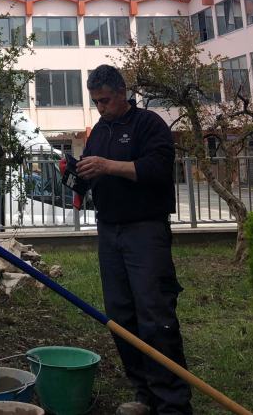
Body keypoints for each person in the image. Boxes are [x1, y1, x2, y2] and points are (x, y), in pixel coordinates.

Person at [75, 65, 192, 415]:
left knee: (154, 313)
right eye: (95, 102)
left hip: (145, 231)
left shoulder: (148, 124)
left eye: (105, 101)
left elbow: (157, 169)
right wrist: (75, 174)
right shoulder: (99, 132)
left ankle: (171, 402)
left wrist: (108, 166)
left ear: (122, 93)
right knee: (121, 315)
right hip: (109, 231)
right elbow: (88, 173)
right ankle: (144, 393)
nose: (100, 108)